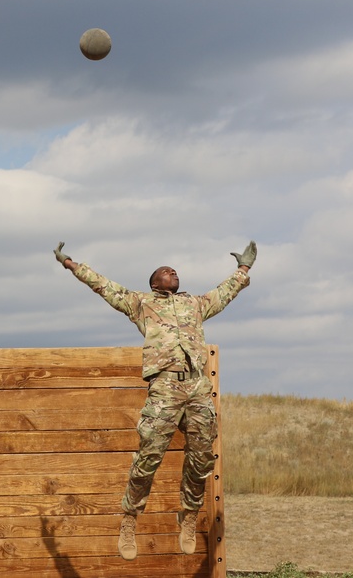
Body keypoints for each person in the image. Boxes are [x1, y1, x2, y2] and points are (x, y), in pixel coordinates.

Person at [53, 239, 256, 561]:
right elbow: (105, 287)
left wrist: (244, 268)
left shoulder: (196, 304)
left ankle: (188, 515)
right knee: (149, 455)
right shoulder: (141, 303)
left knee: (203, 456)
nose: (172, 271)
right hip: (165, 388)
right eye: (165, 271)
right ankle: (130, 519)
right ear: (154, 283)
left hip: (197, 387)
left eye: (174, 270)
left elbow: (226, 291)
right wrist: (72, 265)